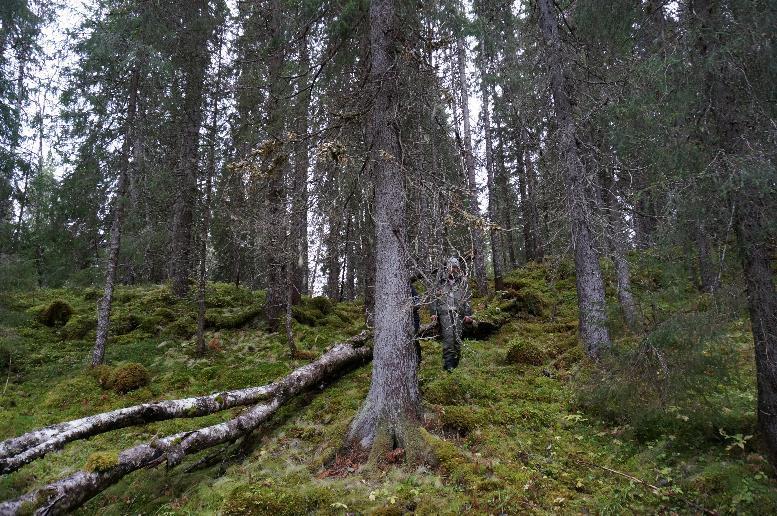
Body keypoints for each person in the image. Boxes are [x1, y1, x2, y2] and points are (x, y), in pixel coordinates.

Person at [430, 257, 473, 371]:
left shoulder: (462, 282)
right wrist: (433, 313)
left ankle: (456, 361)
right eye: (452, 267)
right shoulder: (440, 281)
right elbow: (434, 298)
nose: (454, 269)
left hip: (459, 313)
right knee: (448, 338)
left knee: (458, 338)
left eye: (456, 267)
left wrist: (468, 314)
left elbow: (467, 299)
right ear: (448, 267)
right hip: (445, 313)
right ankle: (448, 364)